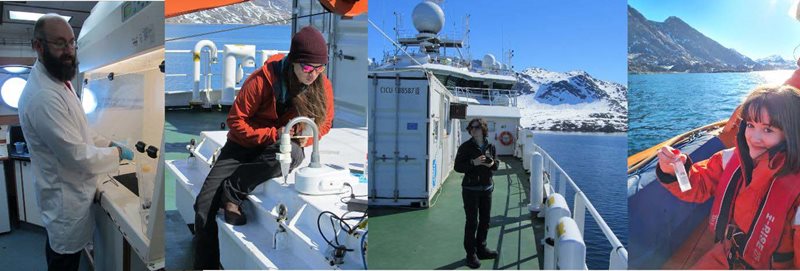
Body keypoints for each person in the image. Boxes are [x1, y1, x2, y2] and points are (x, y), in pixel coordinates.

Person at [193, 26, 335, 269]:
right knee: (203, 207)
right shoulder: (263, 79)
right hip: (241, 145)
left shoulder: (321, 85)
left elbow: (325, 122)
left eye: (320, 67)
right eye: (308, 68)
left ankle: (233, 191)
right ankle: (207, 264)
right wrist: (274, 134)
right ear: (293, 61)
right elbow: (235, 122)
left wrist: (303, 138)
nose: (313, 74)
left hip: (278, 147)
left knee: (295, 155)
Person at [17, 14, 134, 271]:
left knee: (64, 258)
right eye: (60, 43)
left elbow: (81, 132)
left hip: (72, 196)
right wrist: (117, 154)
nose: (68, 50)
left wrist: (110, 143)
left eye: (71, 42)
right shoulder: (44, 96)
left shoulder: (60, 82)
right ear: (38, 45)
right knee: (63, 262)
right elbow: (77, 155)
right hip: (64, 205)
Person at [656, 85, 800, 269]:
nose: (754, 138)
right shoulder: (730, 158)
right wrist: (673, 170)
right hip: (726, 254)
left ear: (792, 134)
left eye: (768, 130)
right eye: (750, 125)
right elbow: (696, 187)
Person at [454, 118, 499, 269]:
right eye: (471, 127)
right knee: (472, 222)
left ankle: (482, 249)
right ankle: (470, 254)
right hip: (470, 190)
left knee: (485, 221)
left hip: (486, 189)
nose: (473, 130)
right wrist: (474, 163)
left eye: (477, 127)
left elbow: (496, 165)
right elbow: (458, 167)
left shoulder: (490, 146)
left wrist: (492, 163)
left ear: (483, 129)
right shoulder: (465, 147)